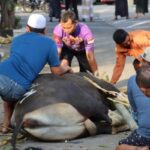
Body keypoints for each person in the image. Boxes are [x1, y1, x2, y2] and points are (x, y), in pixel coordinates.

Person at [0, 13, 72, 133]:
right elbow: (56, 71)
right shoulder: (49, 44)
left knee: (8, 92)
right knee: (11, 92)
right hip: (17, 87)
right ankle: (8, 125)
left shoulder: (17, 39)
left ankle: (5, 125)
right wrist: (66, 68)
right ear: (45, 30)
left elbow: (15, 62)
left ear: (27, 28)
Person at [53, 10, 100, 77]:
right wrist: (57, 70)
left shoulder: (86, 32)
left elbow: (90, 56)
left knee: (88, 73)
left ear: (76, 23)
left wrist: (96, 74)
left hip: (82, 50)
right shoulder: (58, 30)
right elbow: (57, 52)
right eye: (64, 27)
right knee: (63, 66)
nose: (66, 30)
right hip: (67, 49)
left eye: (69, 27)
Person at [116, 66, 150, 150]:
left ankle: (140, 149)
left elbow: (135, 110)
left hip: (145, 136)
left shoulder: (133, 80)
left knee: (120, 146)